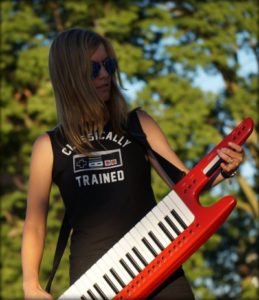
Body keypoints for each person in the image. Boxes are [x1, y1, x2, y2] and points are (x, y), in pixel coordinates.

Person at [21, 28, 245, 300]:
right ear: (71, 77)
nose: (105, 74)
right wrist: (31, 285)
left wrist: (225, 168)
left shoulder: (137, 124)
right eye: (93, 69)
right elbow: (34, 223)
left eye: (109, 65)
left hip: (160, 260)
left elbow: (184, 183)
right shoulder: (47, 146)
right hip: (96, 282)